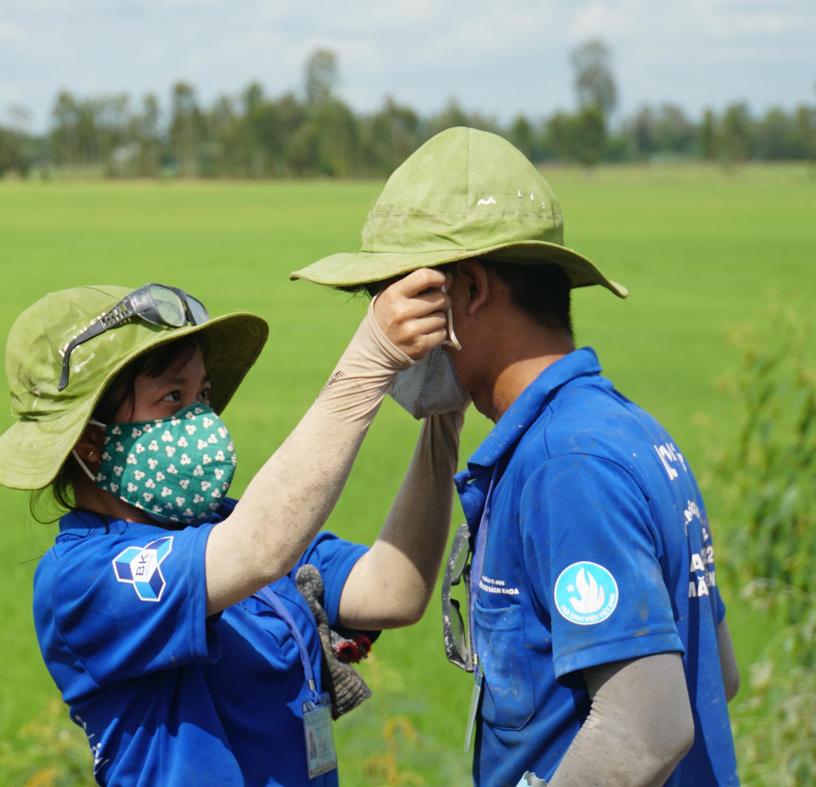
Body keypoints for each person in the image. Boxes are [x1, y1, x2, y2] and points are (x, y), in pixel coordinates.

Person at [291, 127, 740, 787]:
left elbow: (649, 725)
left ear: (467, 291)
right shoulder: (624, 429)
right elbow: (715, 671)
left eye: (396, 304)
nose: (386, 340)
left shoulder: (567, 464)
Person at [0, 279, 464, 785]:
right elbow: (258, 549)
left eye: (202, 393)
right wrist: (369, 359)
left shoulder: (226, 524)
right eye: (172, 396)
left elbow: (392, 592)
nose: (201, 417)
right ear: (92, 443)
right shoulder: (82, 579)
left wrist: (445, 416)